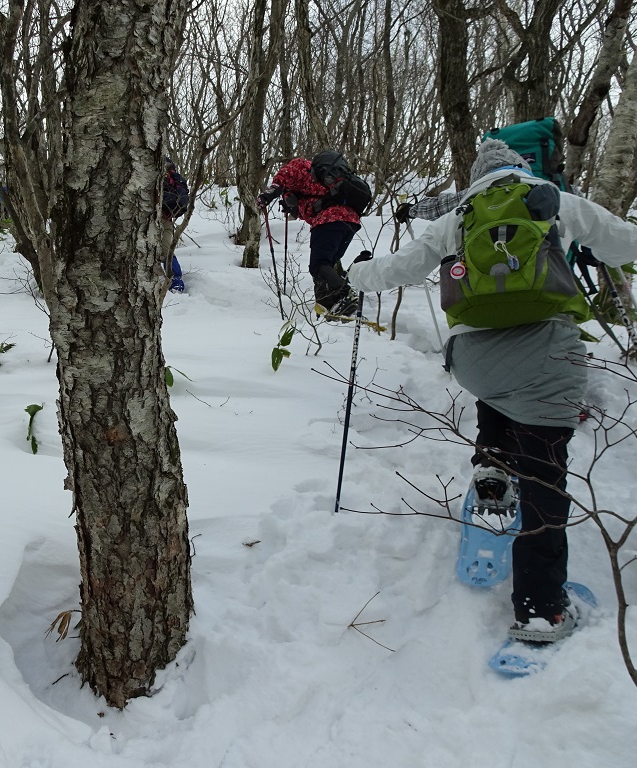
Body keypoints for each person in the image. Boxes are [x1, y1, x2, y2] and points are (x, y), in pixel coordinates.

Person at [347, 138, 637, 643]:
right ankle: (541, 609)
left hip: (475, 361)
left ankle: (493, 479)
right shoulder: (553, 200)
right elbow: (623, 243)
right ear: (521, 169)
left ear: (477, 177)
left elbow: (399, 268)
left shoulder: (459, 216)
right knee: (546, 478)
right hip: (548, 350)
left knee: (499, 403)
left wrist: (354, 273)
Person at [257, 154, 361, 315]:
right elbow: (308, 205)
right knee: (325, 266)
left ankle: (346, 295)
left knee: (318, 265)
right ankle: (329, 305)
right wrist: (290, 205)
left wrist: (268, 195)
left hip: (329, 221)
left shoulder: (299, 166)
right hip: (350, 222)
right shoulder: (325, 181)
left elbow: (282, 179)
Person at [160, 158, 189, 295]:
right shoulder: (176, 180)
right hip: (165, 219)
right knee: (165, 250)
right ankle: (172, 279)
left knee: (166, 251)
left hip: (164, 219)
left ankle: (174, 280)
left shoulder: (174, 180)